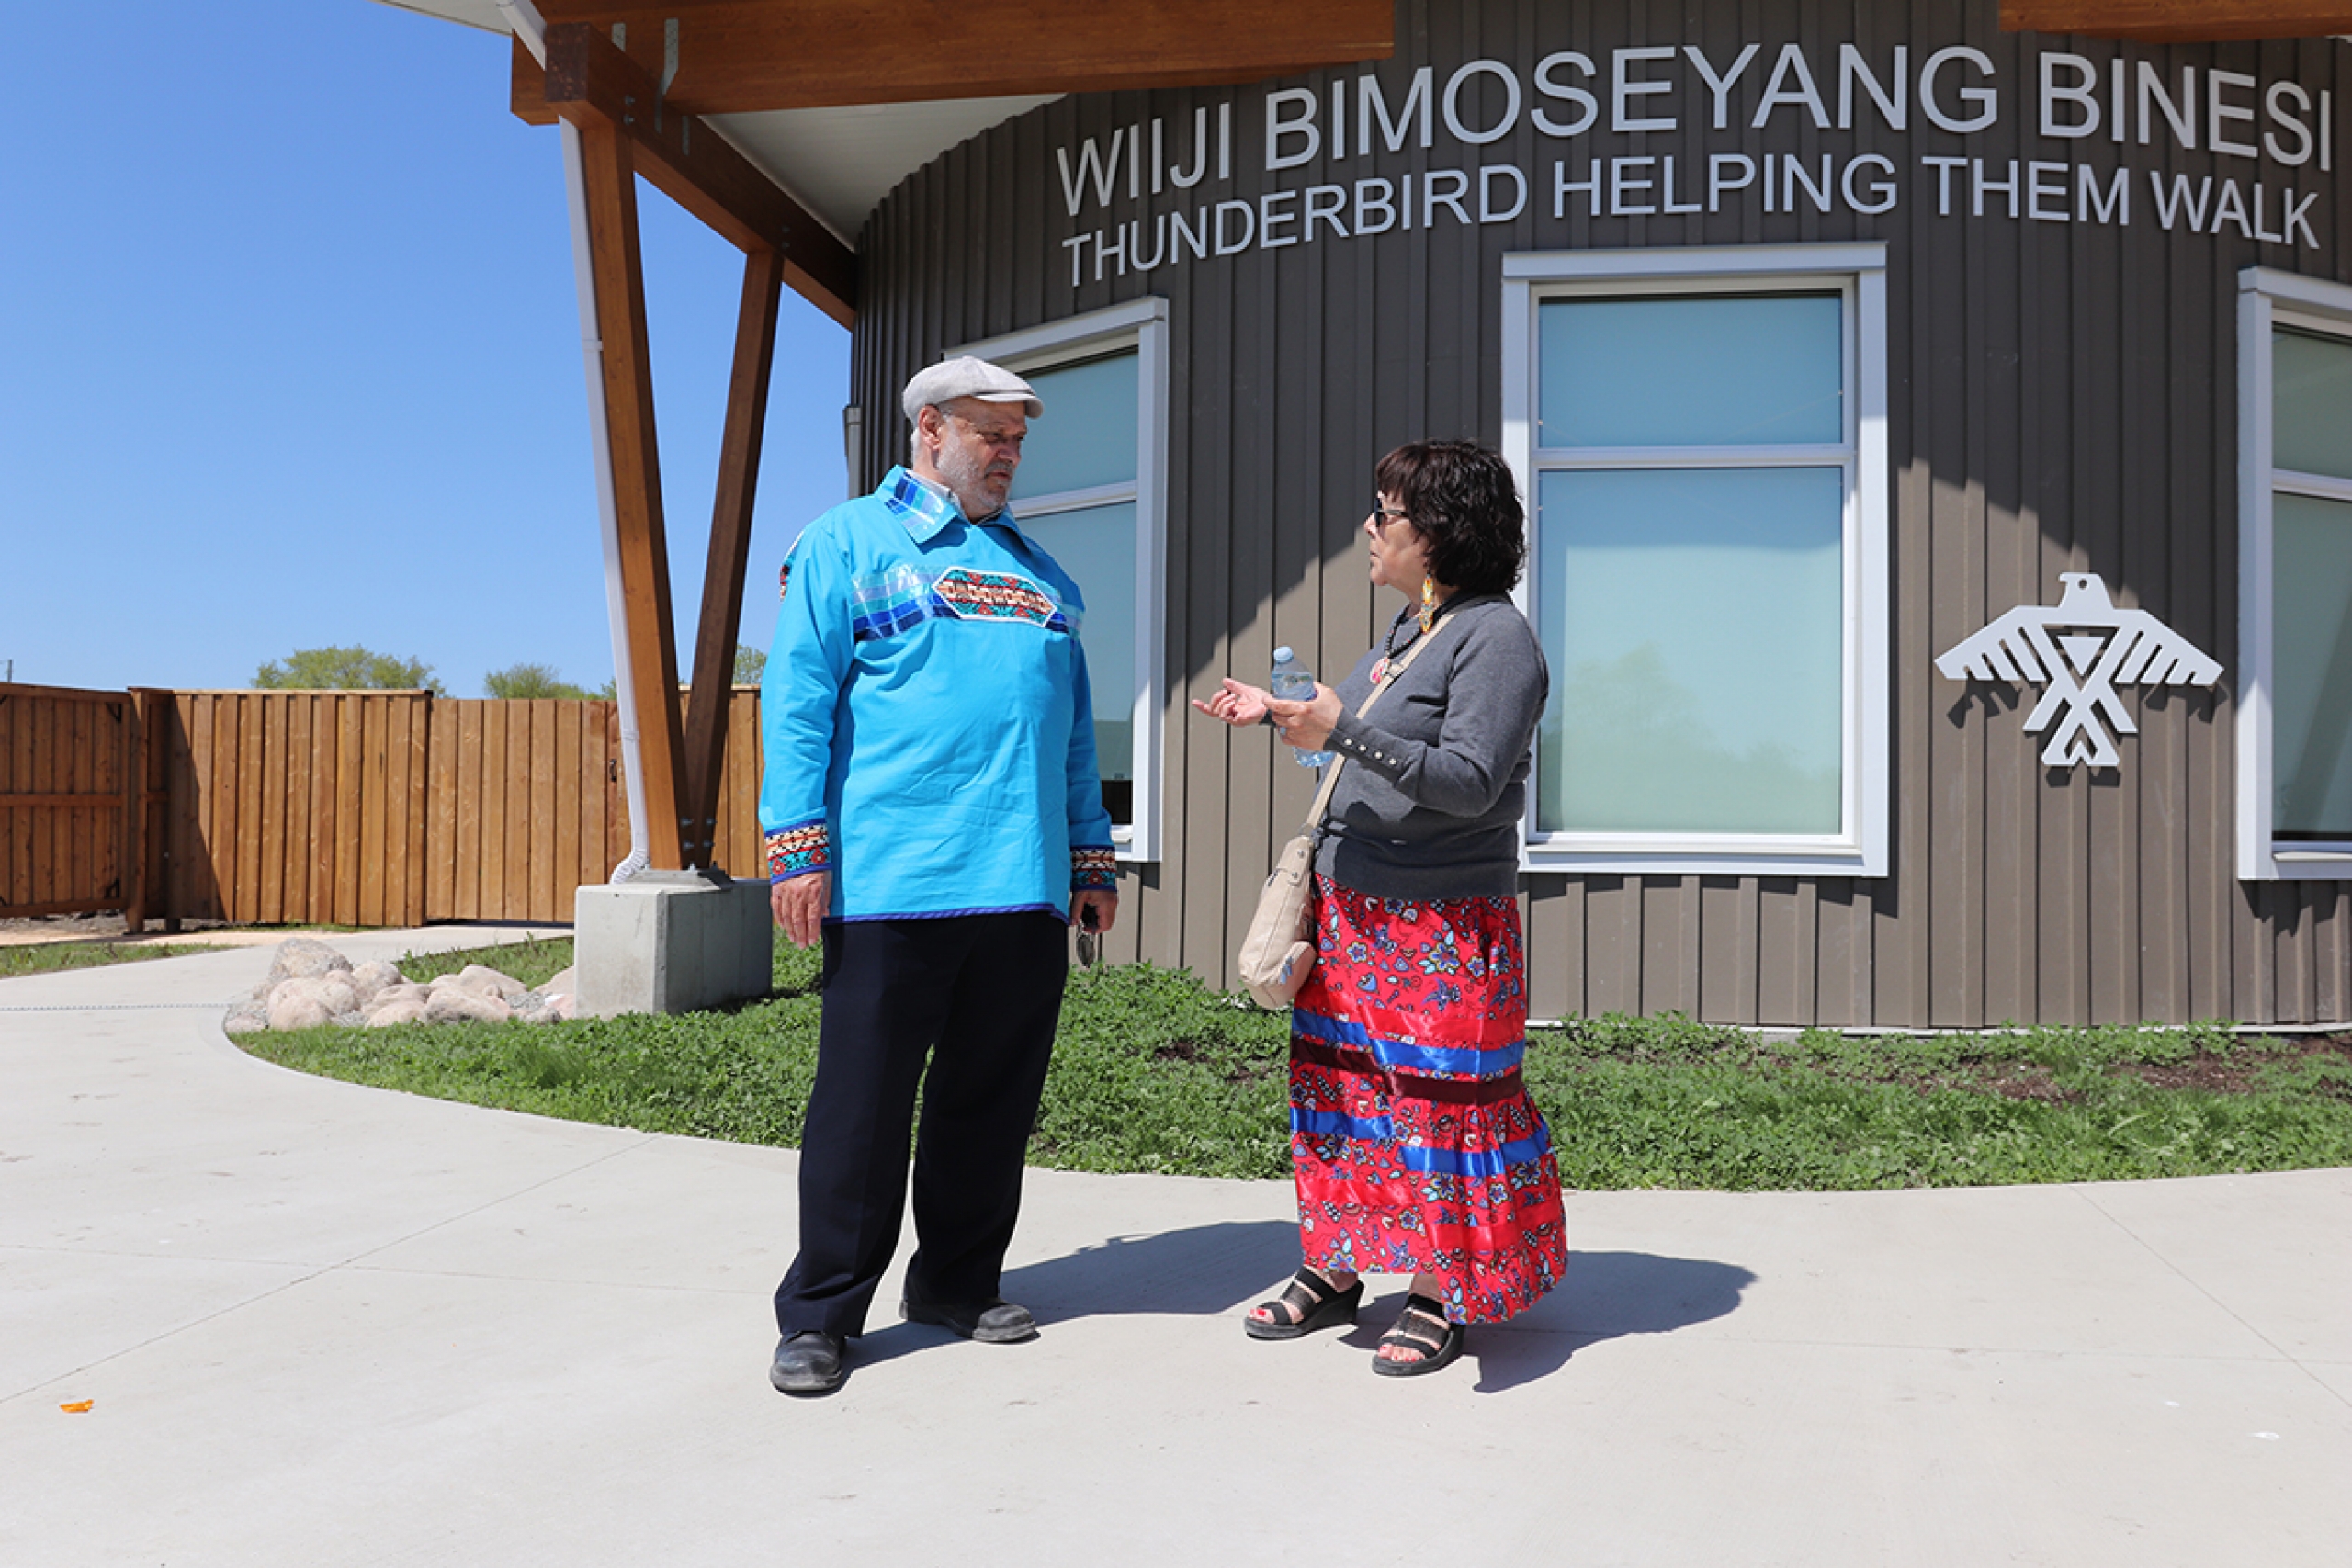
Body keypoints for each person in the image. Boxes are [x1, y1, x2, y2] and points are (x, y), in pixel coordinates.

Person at [760, 355, 1119, 1397]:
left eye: (1017, 439)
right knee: (862, 1109)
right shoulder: (844, 543)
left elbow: (1068, 732)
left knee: (989, 1101)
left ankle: (957, 1284)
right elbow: (797, 701)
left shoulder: (1039, 576)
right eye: (989, 434)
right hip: (891, 881)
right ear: (929, 431)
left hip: (1023, 882)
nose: (1009, 454)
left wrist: (1089, 850)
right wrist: (797, 847)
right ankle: (822, 1314)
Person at [1192, 439, 1566, 1377]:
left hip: (1439, 929)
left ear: (1437, 532)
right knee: (1346, 1096)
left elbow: (1470, 781)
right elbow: (1360, 743)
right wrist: (1282, 713)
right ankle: (1336, 1264)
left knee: (1437, 1108)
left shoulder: (1496, 639)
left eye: (1385, 513)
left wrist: (1344, 728)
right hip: (1353, 918)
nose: (1369, 526)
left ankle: (1439, 1289)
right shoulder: (1413, 628)